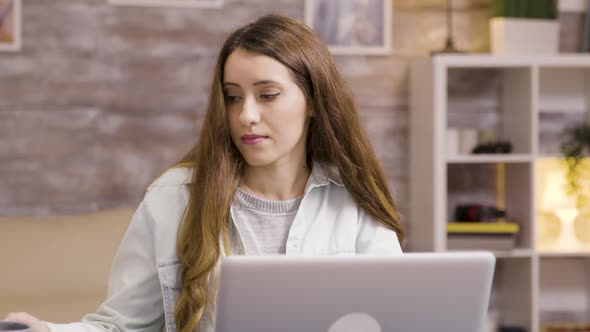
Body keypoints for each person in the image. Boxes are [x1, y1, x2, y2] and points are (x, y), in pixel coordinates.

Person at [5, 13, 404, 332]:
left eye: (267, 95)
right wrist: (45, 330)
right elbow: (120, 327)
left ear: (313, 100)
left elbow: (399, 317)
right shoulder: (173, 198)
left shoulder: (353, 200)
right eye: (233, 97)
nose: (246, 115)